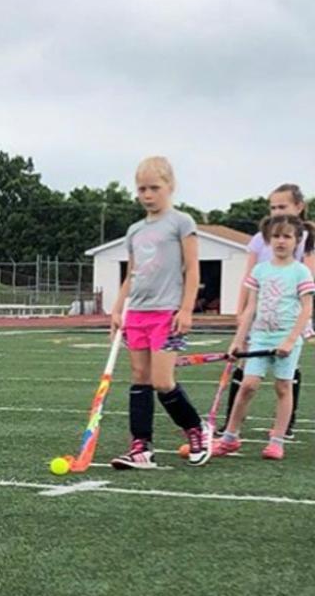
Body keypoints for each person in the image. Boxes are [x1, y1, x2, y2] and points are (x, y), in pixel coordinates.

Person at [109, 156, 210, 469]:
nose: (148, 194)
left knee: (163, 380)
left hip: (167, 313)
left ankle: (196, 429)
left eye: (154, 187)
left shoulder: (182, 222)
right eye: (142, 189)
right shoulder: (134, 231)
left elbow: (193, 269)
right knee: (140, 378)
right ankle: (141, 445)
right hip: (137, 312)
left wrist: (186, 309)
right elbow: (133, 274)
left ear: (170, 186)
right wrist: (117, 308)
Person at [213, 215, 315, 460]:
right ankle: (229, 438)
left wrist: (290, 340)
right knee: (247, 386)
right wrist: (239, 339)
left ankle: (277, 441)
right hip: (260, 338)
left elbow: (306, 309)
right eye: (276, 236)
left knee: (283, 387)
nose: (281, 241)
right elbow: (250, 308)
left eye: (287, 236)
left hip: (286, 339)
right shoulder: (260, 270)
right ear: (268, 240)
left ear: (297, 240)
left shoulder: (301, 271)